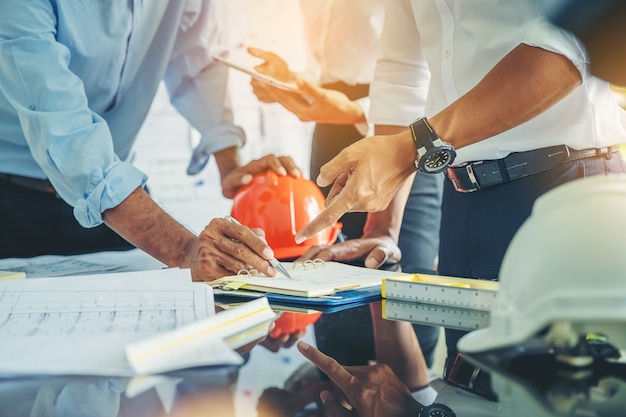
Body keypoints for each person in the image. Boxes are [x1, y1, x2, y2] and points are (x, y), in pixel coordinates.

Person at [294, 0, 626, 366]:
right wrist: (383, 227)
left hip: (562, 189)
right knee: (469, 384)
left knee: (560, 389)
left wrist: (415, 145)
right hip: (462, 200)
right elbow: (402, 74)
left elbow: (570, 45)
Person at [0, 0, 302, 281]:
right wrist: (184, 250)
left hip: (118, 209)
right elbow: (61, 123)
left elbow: (193, 59)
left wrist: (229, 162)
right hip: (12, 205)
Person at [247, 0, 442, 368]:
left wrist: (351, 110)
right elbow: (344, 57)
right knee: (330, 283)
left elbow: (426, 65)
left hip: (408, 131)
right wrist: (297, 84)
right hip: (330, 126)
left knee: (401, 288)